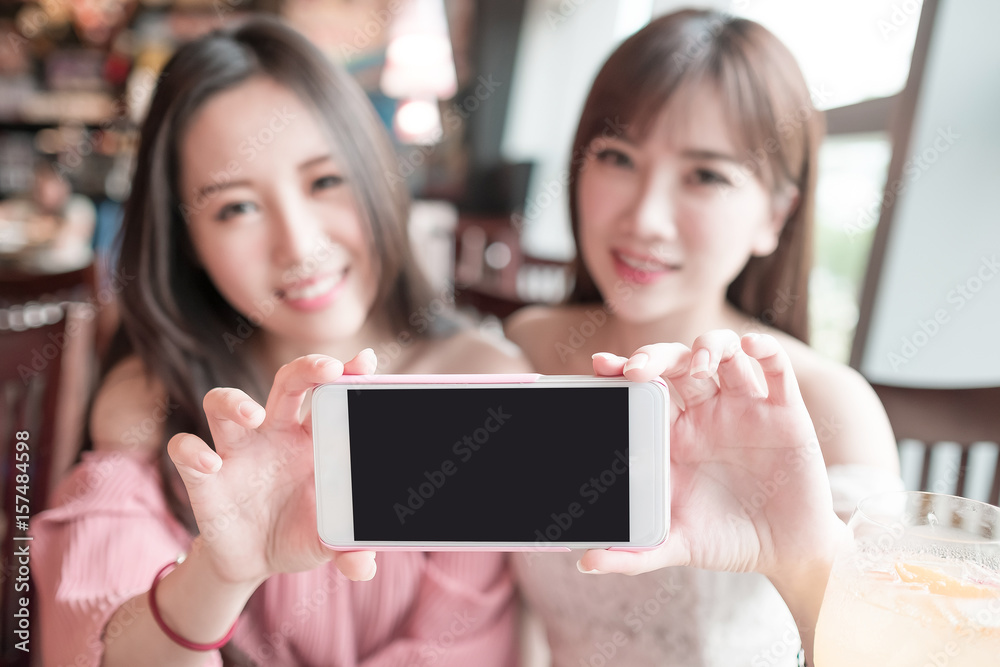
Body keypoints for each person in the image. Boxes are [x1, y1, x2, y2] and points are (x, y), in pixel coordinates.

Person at [31, 18, 530, 667]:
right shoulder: (156, 411)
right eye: (236, 207)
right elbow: (95, 645)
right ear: (189, 245)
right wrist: (217, 572)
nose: (299, 245)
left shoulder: (485, 386)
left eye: (325, 181)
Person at [504, 10, 903, 666]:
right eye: (617, 157)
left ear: (775, 215)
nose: (646, 218)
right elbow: (505, 610)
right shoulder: (528, 350)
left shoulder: (830, 407)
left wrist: (800, 555)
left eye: (706, 174)